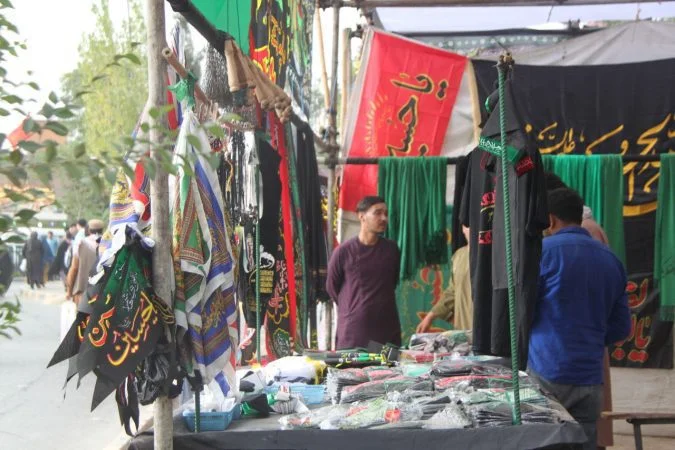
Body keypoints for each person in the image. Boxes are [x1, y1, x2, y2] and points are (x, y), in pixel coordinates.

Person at [527, 188, 631, 450]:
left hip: (547, 371)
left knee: (544, 442)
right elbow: (622, 327)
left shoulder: (542, 253)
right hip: (590, 377)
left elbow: (521, 312)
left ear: (550, 220)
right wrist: (589, 337)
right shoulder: (611, 259)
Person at [326, 196, 402, 349]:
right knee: (351, 365)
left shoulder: (391, 250)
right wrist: (354, 306)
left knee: (389, 365)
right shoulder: (343, 252)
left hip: (386, 332)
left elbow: (391, 283)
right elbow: (332, 288)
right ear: (361, 216)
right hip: (353, 333)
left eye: (386, 214)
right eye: (378, 213)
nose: (384, 218)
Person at [417, 225, 472, 333]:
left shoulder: (493, 254)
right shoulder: (459, 256)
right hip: (464, 329)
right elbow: (452, 291)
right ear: (463, 229)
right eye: (468, 226)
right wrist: (430, 317)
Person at [67, 219, 103, 304]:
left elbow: (74, 268)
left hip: (83, 291)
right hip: (103, 292)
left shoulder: (80, 244)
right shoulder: (109, 244)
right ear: (102, 230)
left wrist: (69, 291)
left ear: (89, 230)